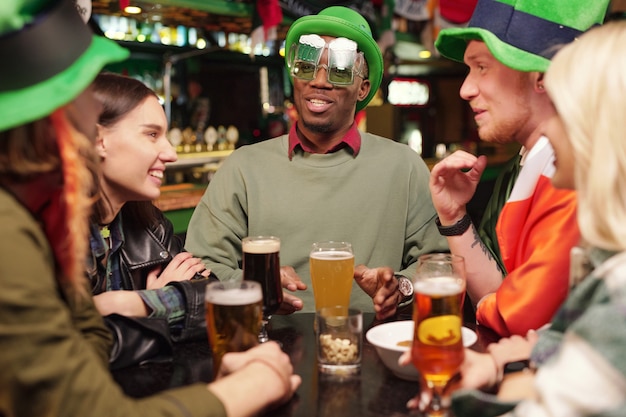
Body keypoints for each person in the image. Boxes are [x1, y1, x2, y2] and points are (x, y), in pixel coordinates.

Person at [0, 1, 299, 416]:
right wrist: (248, 389)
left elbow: (89, 340)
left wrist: (131, 304)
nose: (91, 110)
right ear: (57, 114)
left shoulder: (52, 214)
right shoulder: (11, 228)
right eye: (81, 95)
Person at [185, 6, 449, 319]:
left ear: (362, 87)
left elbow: (439, 262)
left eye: (339, 69)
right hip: (267, 351)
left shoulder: (404, 166)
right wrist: (253, 287)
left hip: (373, 345)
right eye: (308, 65)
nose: (319, 81)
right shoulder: (243, 168)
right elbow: (198, 267)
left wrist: (401, 287)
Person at [430, 20, 626, 416]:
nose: (465, 88)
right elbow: (560, 332)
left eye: (563, 105)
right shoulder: (517, 173)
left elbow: (522, 316)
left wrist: (518, 372)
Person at [427, 0, 610, 336]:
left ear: (541, 77)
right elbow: (505, 295)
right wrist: (454, 218)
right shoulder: (522, 166)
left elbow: (518, 315)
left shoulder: (576, 176)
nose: (465, 89)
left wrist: (499, 309)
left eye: (481, 66)